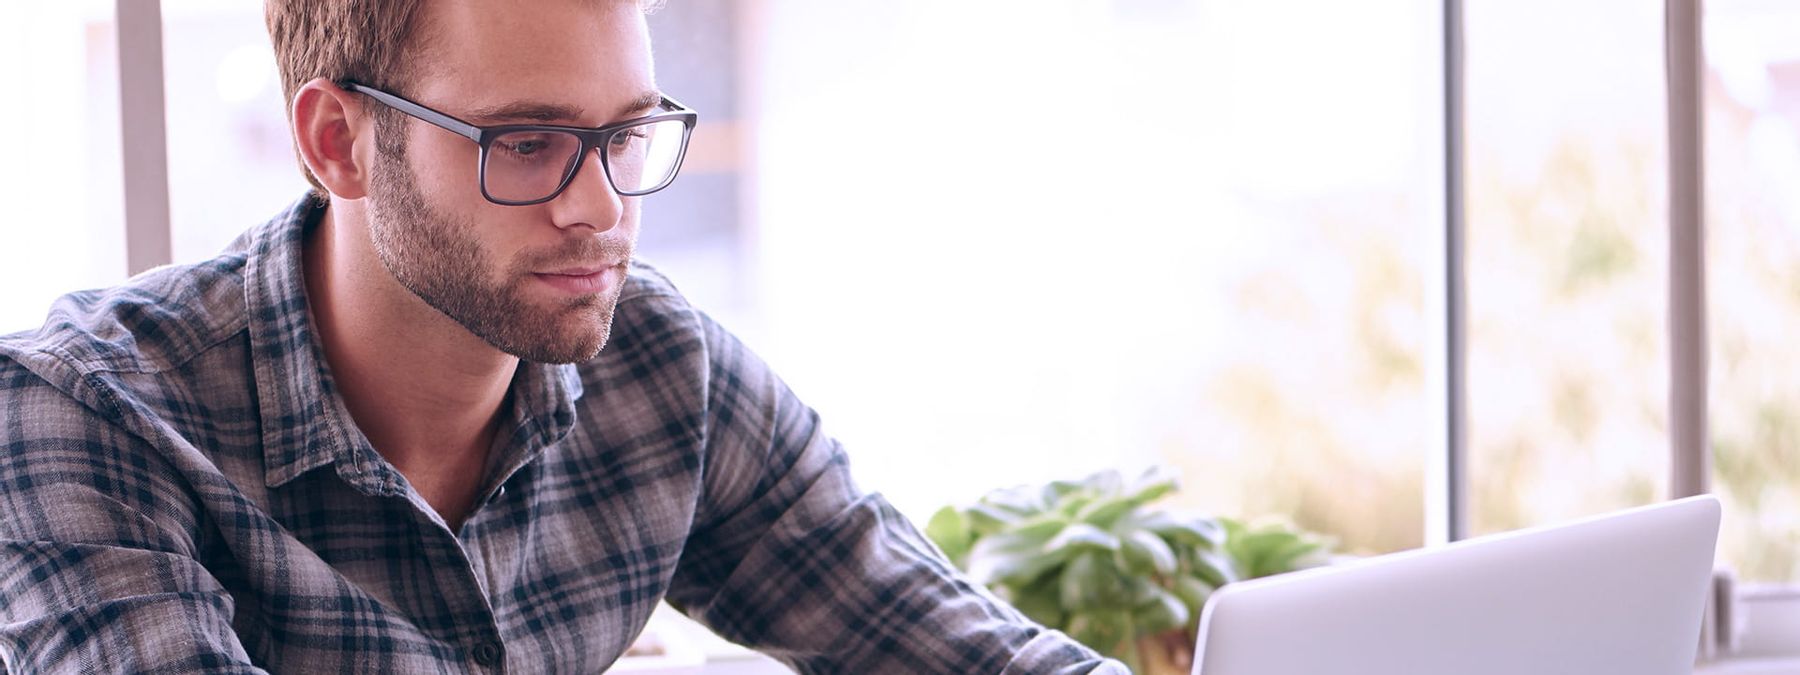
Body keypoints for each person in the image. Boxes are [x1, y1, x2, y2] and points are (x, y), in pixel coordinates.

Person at [0, 0, 1124, 672]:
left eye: (627, 135)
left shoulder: (659, 368)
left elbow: (955, 647)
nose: (603, 209)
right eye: (528, 143)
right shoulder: (80, 416)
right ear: (337, 141)